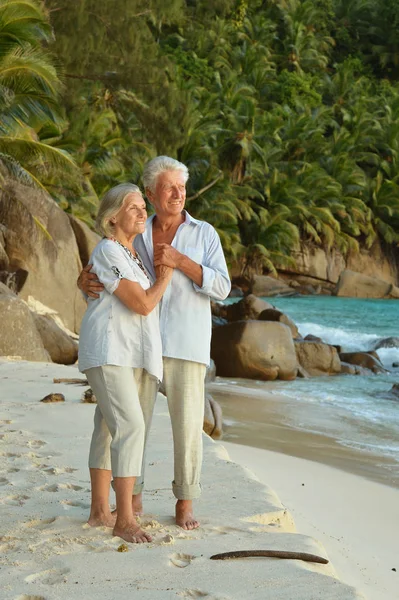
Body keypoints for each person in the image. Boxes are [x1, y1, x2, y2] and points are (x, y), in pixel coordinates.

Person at [79, 157, 231, 530]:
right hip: (137, 346)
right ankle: (131, 499)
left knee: (188, 425)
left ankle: (185, 501)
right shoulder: (134, 227)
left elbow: (223, 288)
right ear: (151, 192)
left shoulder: (204, 234)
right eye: (168, 187)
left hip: (185, 341)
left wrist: (181, 262)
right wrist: (81, 283)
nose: (178, 194)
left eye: (182, 186)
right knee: (128, 424)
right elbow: (105, 275)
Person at [78, 183, 173, 544]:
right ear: (112, 217)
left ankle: (100, 511)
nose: (141, 211)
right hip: (109, 350)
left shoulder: (130, 254)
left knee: (107, 427)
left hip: (127, 352)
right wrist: (165, 277)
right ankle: (124, 519)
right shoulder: (108, 249)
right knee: (130, 426)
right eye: (132, 207)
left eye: (141, 206)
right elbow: (142, 304)